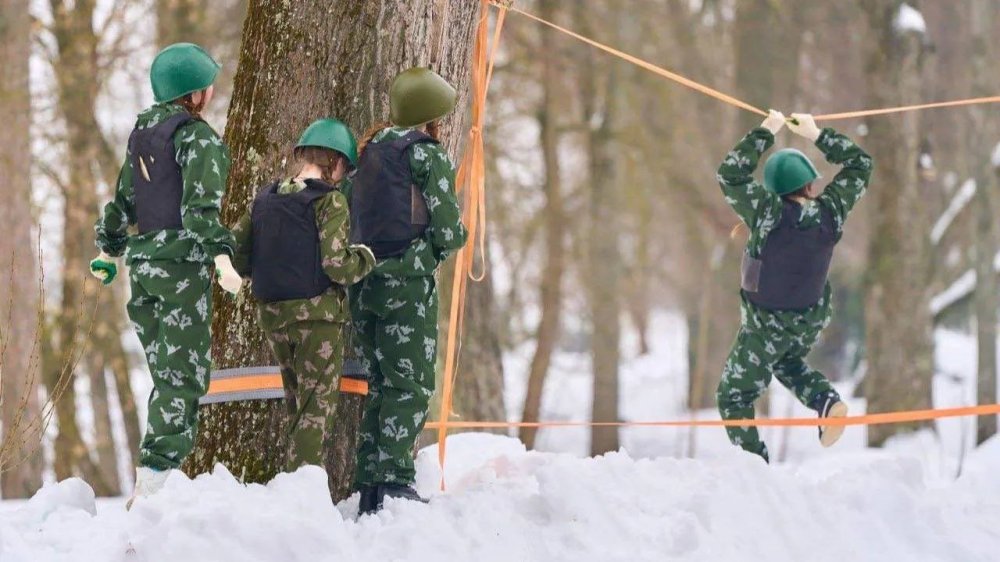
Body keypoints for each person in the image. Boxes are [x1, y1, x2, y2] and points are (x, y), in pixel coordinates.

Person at [90, 42, 242, 507]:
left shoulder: (142, 135)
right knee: (182, 378)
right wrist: (222, 258)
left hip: (143, 270)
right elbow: (199, 212)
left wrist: (108, 250)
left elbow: (123, 203)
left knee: (164, 372)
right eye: (207, 85)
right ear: (194, 94)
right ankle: (155, 484)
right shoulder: (198, 139)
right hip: (179, 270)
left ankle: (156, 479)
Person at [715, 110, 873, 462]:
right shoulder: (830, 212)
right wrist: (817, 134)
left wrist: (766, 131)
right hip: (808, 319)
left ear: (774, 190)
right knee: (786, 362)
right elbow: (860, 165)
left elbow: (730, 174)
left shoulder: (767, 213)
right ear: (810, 186)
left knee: (733, 396)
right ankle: (825, 401)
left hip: (766, 325)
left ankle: (754, 468)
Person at [348, 67, 468, 513]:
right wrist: (428, 255)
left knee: (380, 386)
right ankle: (394, 485)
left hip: (363, 287)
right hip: (407, 290)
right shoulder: (426, 155)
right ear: (430, 115)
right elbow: (449, 232)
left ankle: (370, 487)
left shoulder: (365, 152)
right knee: (410, 387)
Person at [230, 118, 376, 472]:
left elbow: (235, 251)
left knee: (296, 406)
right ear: (335, 161)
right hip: (317, 321)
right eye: (344, 168)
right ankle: (302, 491)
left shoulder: (265, 198)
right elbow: (336, 266)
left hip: (274, 318)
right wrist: (365, 258)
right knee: (314, 415)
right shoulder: (330, 202)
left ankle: (293, 483)